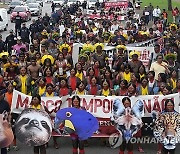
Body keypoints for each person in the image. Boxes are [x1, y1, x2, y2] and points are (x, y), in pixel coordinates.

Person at [0, 86, 10, 154]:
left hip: (3, 126)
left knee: (3, 146)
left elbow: (9, 113)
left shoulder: (5, 103)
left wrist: (9, 122)